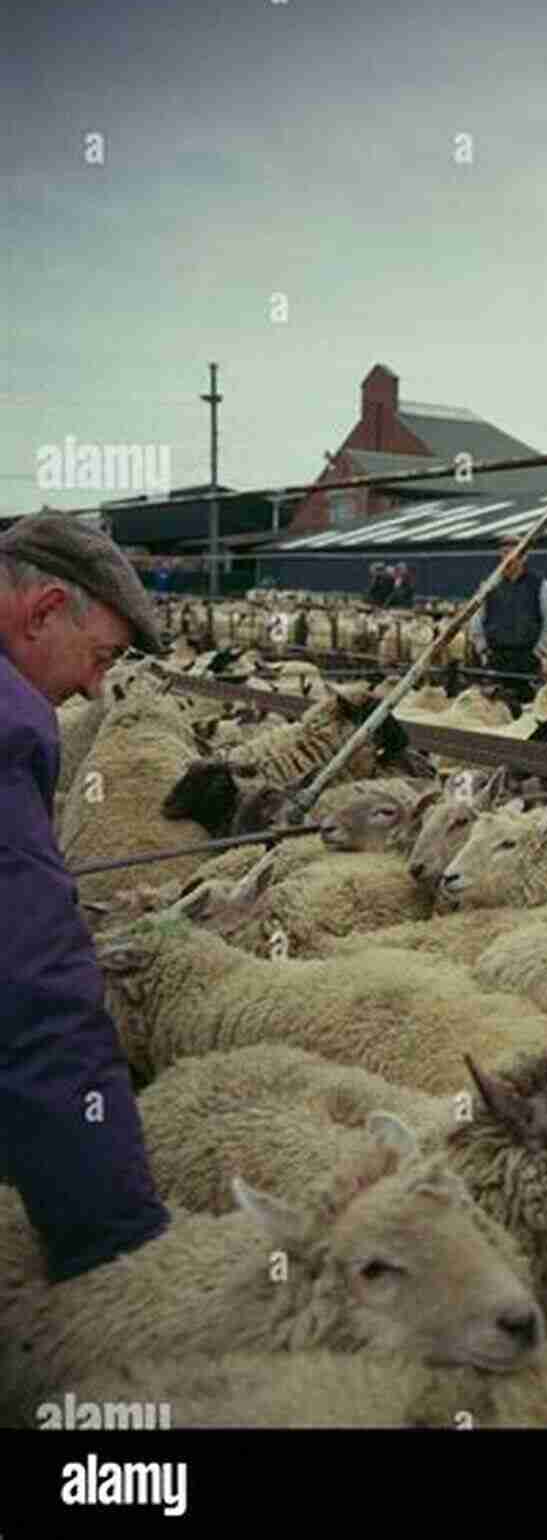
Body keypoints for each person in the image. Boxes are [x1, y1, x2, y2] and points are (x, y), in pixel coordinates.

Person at [0, 512, 171, 1282]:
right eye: (102, 656)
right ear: (40, 612)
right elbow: (37, 1000)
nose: (97, 687)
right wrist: (123, 1255)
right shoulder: (8, 732)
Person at [469, 537, 547, 699]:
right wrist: (483, 649)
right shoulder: (489, 585)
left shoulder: (539, 584)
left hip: (527, 658)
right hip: (496, 658)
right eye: (504, 553)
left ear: (524, 557)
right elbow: (476, 619)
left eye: (514, 553)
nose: (509, 558)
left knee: (526, 707)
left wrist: (539, 652)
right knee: (495, 707)